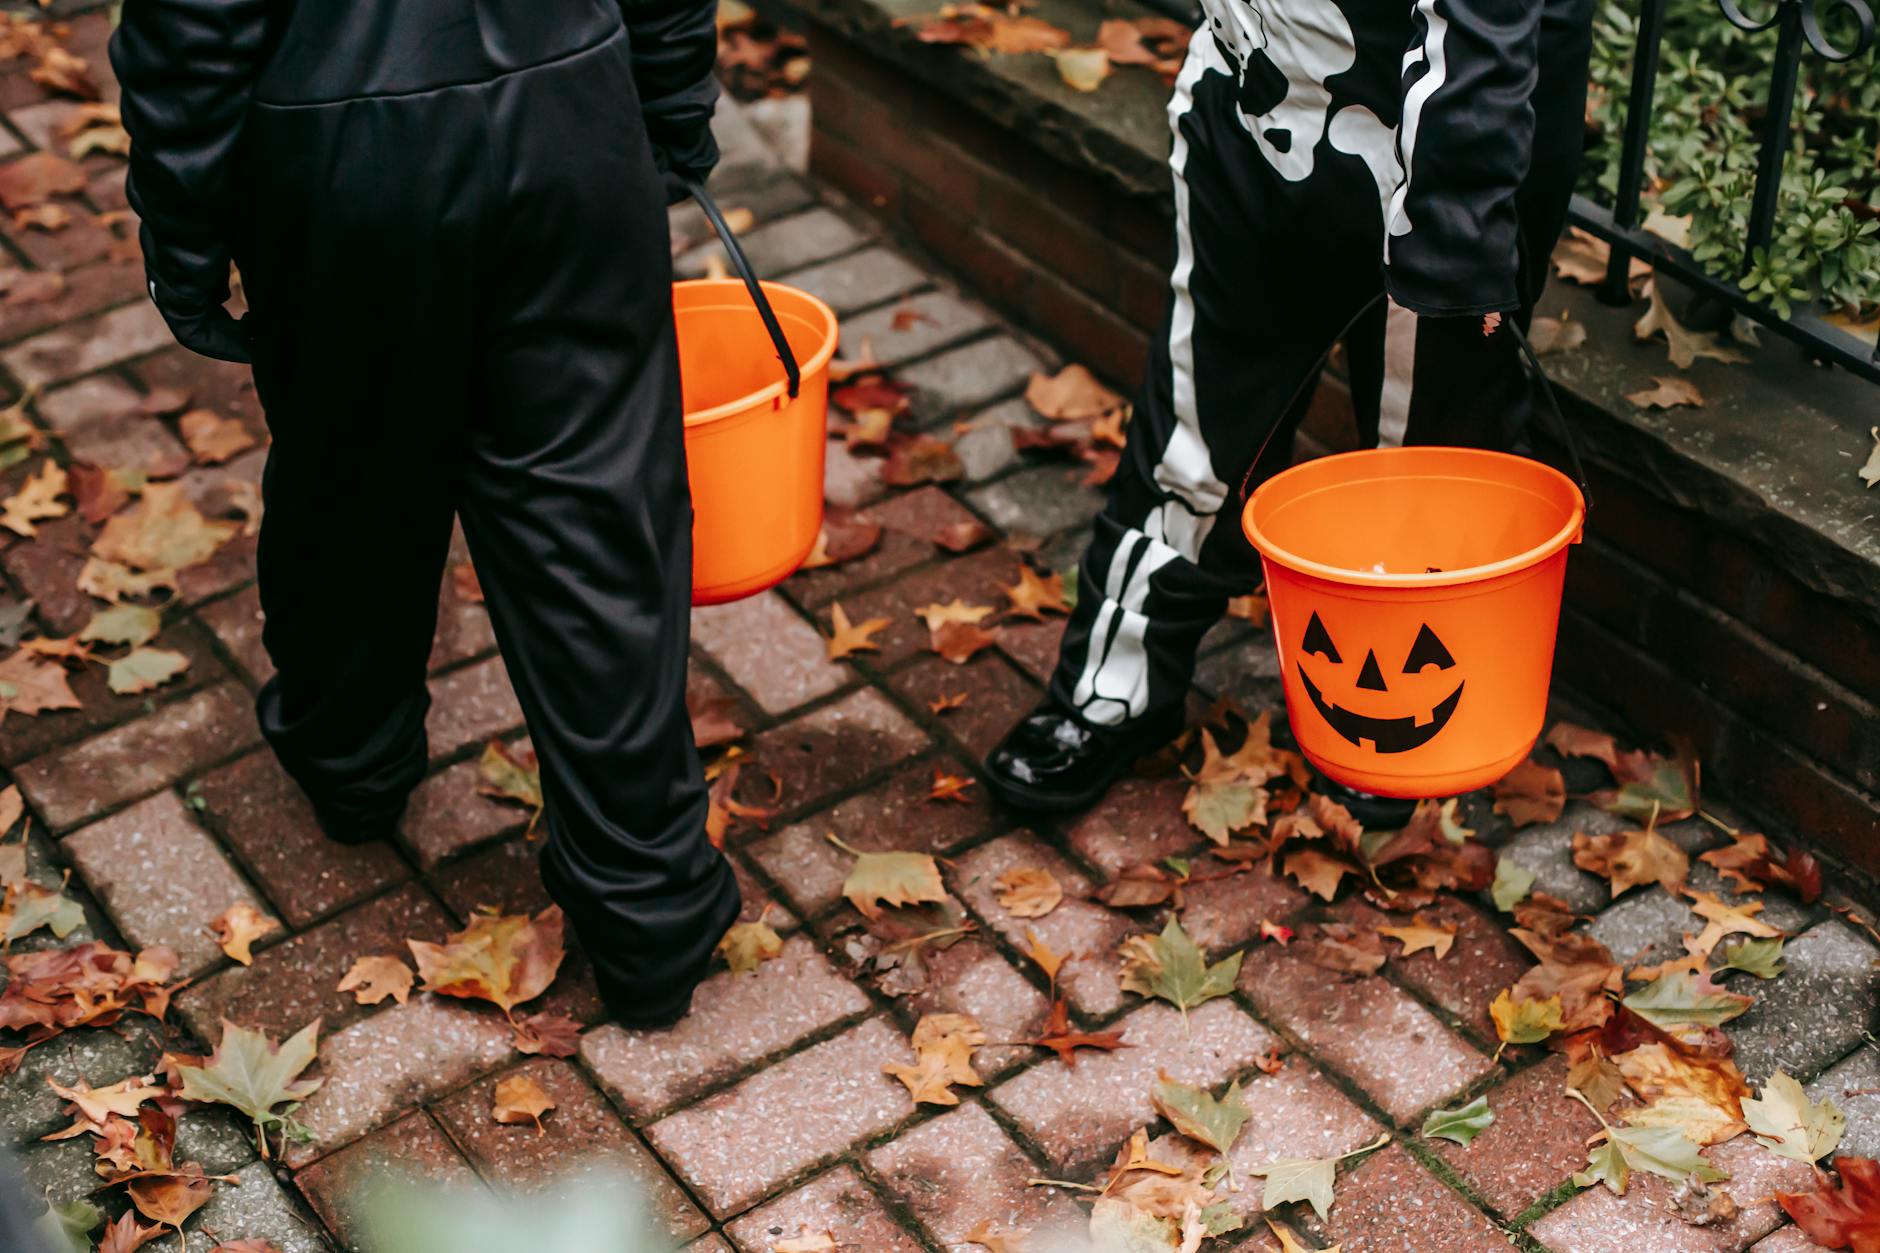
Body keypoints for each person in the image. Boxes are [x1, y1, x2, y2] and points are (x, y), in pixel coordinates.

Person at [111, 0, 741, 1027]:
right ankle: (651, 914)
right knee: (594, 526)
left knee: (352, 488)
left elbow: (190, 22)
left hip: (338, 147)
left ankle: (351, 768)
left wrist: (184, 231)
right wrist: (668, 111)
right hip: (571, 103)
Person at [983, 0, 1595, 823]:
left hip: (1452, 146)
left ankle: (1403, 735)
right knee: (1198, 422)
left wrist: (1458, 241)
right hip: (1256, 98)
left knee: (1430, 456)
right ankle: (1115, 681)